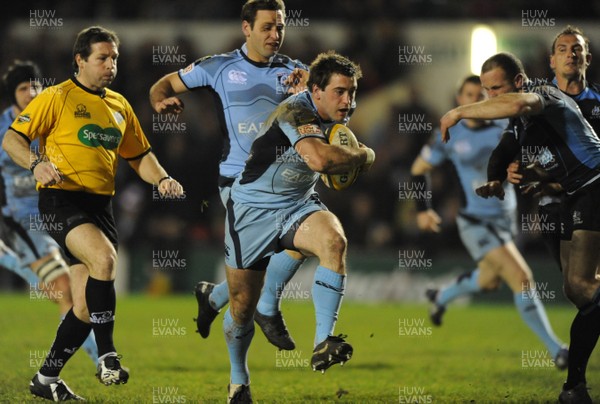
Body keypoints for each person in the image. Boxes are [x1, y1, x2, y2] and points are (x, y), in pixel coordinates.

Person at [2, 26, 184, 401]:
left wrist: (162, 178)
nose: (110, 64)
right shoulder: (55, 97)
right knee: (104, 258)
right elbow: (12, 138)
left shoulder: (119, 106)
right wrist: (36, 163)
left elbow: (139, 156)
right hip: (60, 200)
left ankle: (46, 379)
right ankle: (108, 356)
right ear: (80, 60)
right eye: (102, 57)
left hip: (101, 207)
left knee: (84, 306)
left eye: (114, 58)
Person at [149, 0, 310, 350]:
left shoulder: (296, 71)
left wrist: (312, 87)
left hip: (285, 180)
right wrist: (161, 101)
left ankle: (212, 297)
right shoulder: (218, 67)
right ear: (246, 28)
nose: (275, 34)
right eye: (267, 26)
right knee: (282, 249)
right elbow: (161, 85)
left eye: (280, 26)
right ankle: (263, 312)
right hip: (238, 180)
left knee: (279, 254)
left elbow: (335, 97)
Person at [440, 52, 600, 404]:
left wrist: (459, 112)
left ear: (517, 81)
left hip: (595, 185)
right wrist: (499, 179)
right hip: (574, 192)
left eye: (495, 89)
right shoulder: (524, 123)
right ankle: (574, 389)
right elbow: (504, 150)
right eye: (485, 91)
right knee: (578, 293)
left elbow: (518, 105)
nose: (490, 98)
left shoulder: (541, 93)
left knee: (581, 285)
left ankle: (574, 388)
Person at [221, 51, 373, 402]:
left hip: (297, 205)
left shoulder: (333, 117)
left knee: (334, 242)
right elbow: (320, 159)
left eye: (352, 92)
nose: (348, 101)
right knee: (241, 306)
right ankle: (238, 379)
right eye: (339, 92)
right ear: (316, 91)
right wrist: (364, 155)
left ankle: (323, 342)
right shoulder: (296, 111)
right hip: (251, 211)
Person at [413, 75, 567, 369]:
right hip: (474, 222)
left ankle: (441, 296)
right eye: (468, 94)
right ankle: (558, 350)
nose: (474, 100)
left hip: (505, 220)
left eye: (480, 95)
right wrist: (423, 208)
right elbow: (418, 170)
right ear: (459, 100)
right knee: (522, 278)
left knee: (489, 281)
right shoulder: (448, 133)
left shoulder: (502, 125)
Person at [0, 60, 99, 366]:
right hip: (22, 220)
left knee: (79, 291)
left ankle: (11, 261)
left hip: (59, 214)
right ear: (12, 95)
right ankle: (100, 362)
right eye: (22, 88)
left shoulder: (55, 119)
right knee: (66, 290)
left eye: (35, 85)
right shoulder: (3, 129)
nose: (30, 92)